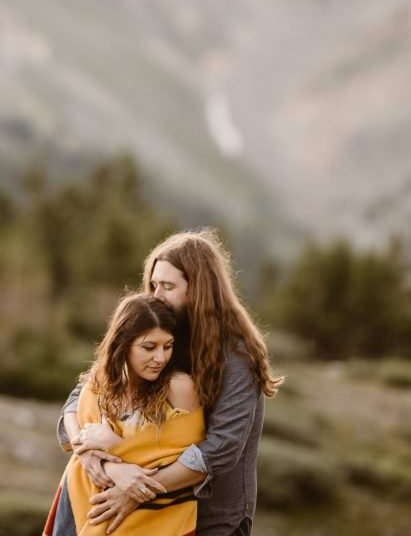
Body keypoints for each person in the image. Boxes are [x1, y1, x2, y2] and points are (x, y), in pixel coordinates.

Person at [59, 229, 283, 536]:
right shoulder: (160, 338)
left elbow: (221, 447)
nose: (156, 295)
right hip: (145, 519)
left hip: (212, 519)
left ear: (199, 290)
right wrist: (95, 458)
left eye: (168, 286)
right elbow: (79, 399)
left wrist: (136, 490)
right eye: (153, 285)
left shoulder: (236, 356)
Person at [44, 293, 206, 536]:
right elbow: (76, 420)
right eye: (149, 347)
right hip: (78, 501)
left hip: (154, 522)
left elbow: (192, 462)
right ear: (124, 343)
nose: (160, 358)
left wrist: (115, 446)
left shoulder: (179, 388)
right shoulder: (102, 380)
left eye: (168, 346)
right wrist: (106, 464)